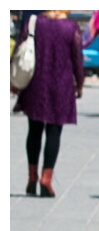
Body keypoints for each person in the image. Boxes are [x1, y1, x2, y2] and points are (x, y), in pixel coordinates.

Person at [11, 10, 84, 198]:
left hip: (36, 83)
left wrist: (14, 79)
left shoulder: (34, 22)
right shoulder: (71, 28)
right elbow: (77, 58)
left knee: (34, 131)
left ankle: (32, 177)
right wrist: (80, 83)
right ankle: (46, 179)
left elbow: (20, 48)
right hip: (61, 86)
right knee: (54, 132)